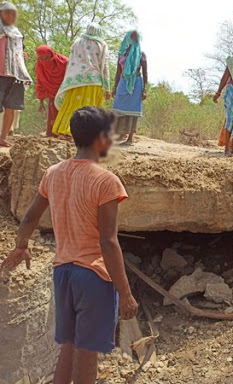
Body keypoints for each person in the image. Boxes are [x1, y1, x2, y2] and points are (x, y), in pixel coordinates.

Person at [1, 106, 138, 384]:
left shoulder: (53, 173)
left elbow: (29, 217)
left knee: (69, 345)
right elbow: (108, 242)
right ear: (101, 138)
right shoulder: (106, 181)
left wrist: (21, 245)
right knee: (87, 355)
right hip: (94, 276)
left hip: (63, 273)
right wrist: (125, 293)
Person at [52, 23, 111, 140]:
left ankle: (64, 131)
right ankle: (85, 134)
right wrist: (107, 88)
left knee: (72, 106)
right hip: (93, 81)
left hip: (75, 80)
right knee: (90, 109)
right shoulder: (101, 44)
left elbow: (71, 61)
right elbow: (105, 66)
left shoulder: (77, 42)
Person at [0, 2, 32, 147]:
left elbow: (19, 55)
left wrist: (24, 73)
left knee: (11, 107)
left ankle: (2, 138)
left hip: (15, 76)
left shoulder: (17, 33)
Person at [113, 30, 148, 146]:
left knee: (133, 110)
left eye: (135, 37)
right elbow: (118, 72)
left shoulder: (141, 54)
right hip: (123, 82)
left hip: (136, 83)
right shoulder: (121, 54)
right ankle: (119, 134)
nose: (133, 39)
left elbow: (145, 73)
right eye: (131, 37)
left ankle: (130, 138)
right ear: (127, 38)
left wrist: (145, 90)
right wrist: (115, 87)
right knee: (118, 107)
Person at [35, 45, 68, 137]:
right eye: (42, 58)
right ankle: (53, 133)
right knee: (53, 111)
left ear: (51, 53)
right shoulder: (40, 65)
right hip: (52, 93)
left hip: (65, 91)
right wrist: (41, 102)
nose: (45, 60)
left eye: (47, 57)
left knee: (66, 111)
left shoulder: (64, 62)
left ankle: (66, 133)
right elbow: (40, 82)